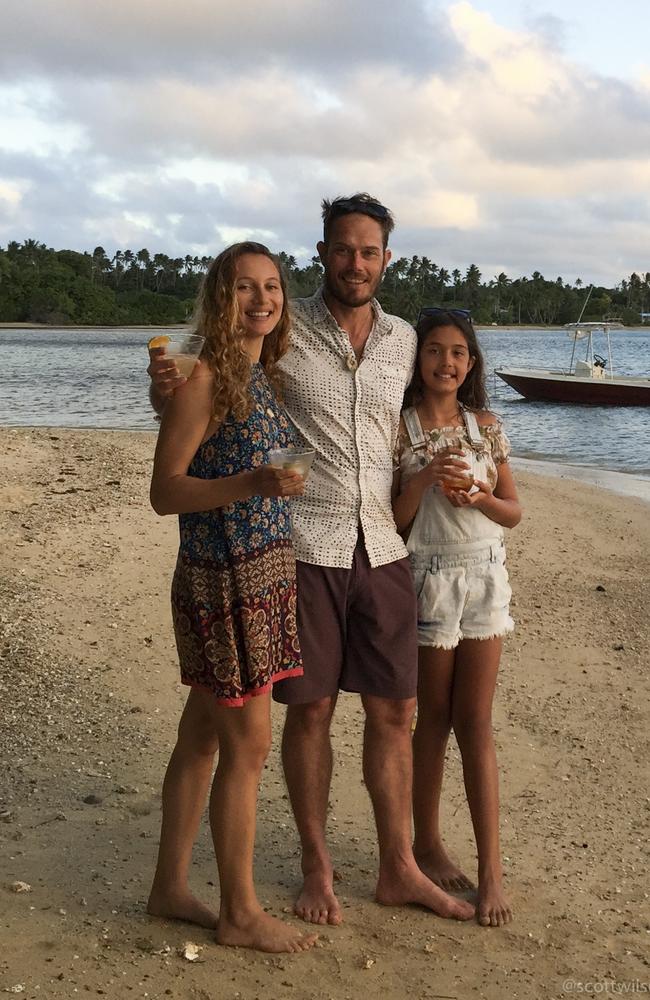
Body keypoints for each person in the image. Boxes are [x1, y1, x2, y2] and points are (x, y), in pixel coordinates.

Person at [149, 194, 475, 927]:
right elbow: (208, 385)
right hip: (301, 547)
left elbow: (443, 399)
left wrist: (479, 453)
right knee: (310, 713)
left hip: (384, 543)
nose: (355, 263)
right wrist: (161, 383)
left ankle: (399, 868)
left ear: (387, 259)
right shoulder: (285, 328)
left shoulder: (402, 339)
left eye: (369, 251)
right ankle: (316, 868)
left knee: (395, 710)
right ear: (322, 252)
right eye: (342, 249)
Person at [147, 241, 318, 953]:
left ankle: (168, 889)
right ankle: (241, 912)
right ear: (221, 298)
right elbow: (165, 492)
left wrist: (277, 483)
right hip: (222, 582)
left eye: (272, 286)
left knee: (199, 739)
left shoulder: (261, 374)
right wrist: (251, 485)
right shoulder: (207, 379)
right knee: (246, 744)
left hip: (263, 574)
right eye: (244, 288)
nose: (261, 299)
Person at [391, 307, 522, 927]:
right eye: (435, 351)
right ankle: (427, 843)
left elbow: (514, 512)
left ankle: (492, 866)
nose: (447, 362)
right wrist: (421, 482)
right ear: (418, 360)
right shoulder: (402, 429)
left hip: (486, 577)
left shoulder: (487, 427)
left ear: (471, 364)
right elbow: (393, 520)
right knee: (432, 719)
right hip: (428, 578)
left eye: (458, 353)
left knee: (477, 722)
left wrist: (482, 496)